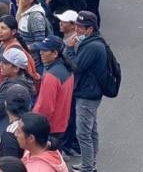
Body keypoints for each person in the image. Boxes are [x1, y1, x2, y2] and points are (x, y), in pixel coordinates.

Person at [72, 11, 106, 172]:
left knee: (84, 133)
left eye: (80, 27)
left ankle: (88, 167)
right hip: (91, 91)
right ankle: (90, 163)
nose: (76, 30)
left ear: (90, 29)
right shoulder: (94, 42)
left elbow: (75, 67)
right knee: (91, 129)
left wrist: (70, 48)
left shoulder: (92, 46)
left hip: (87, 93)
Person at [31, 36, 74, 143]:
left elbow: (46, 107)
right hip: (61, 124)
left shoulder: (52, 76)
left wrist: (35, 125)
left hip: (49, 127)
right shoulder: (67, 69)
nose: (40, 53)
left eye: (44, 50)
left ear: (55, 53)